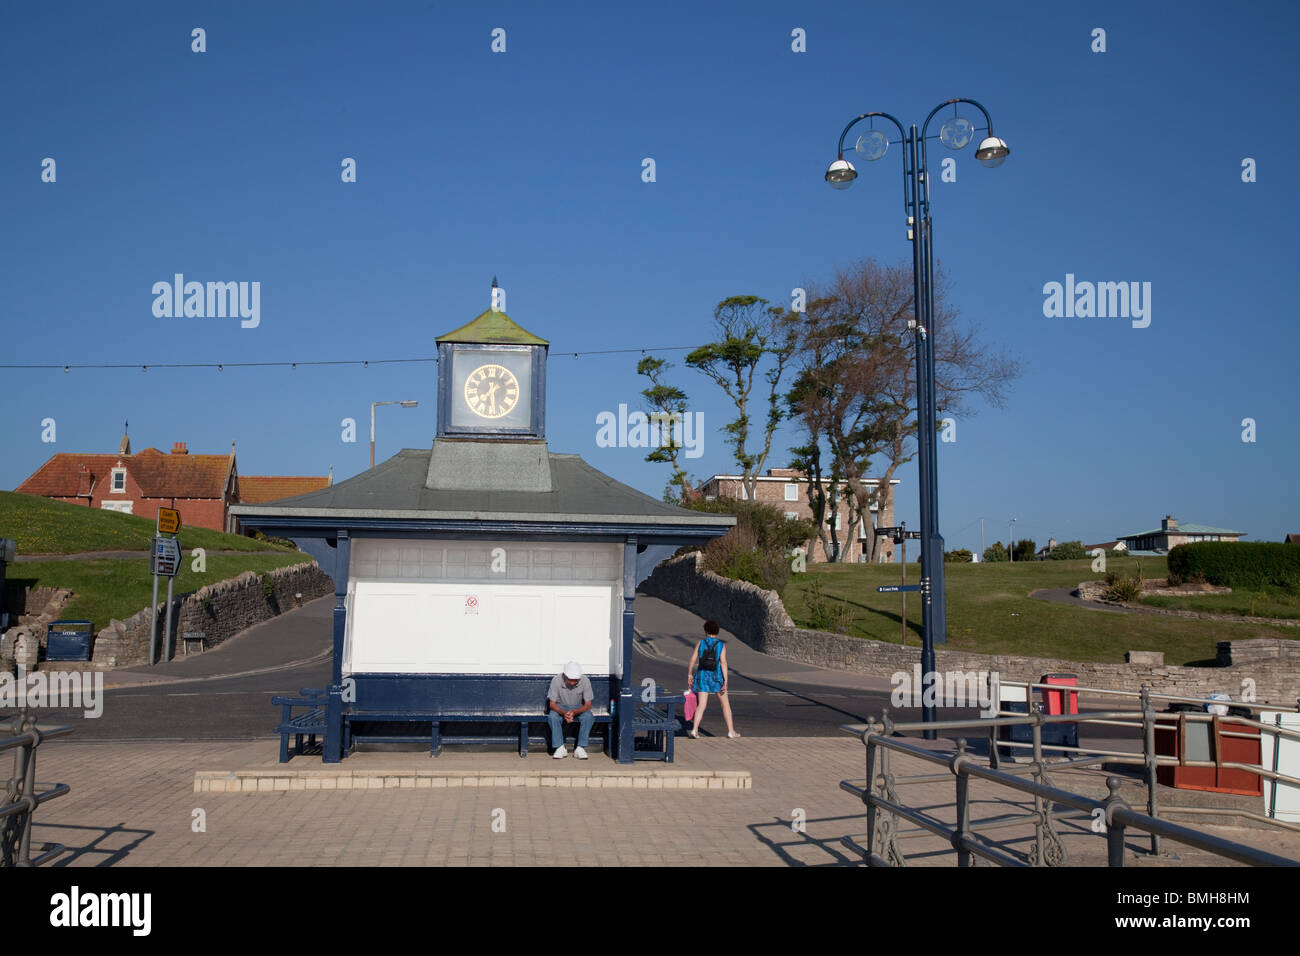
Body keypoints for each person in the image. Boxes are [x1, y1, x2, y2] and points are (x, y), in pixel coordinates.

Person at [685, 620, 739, 739]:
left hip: (702, 676)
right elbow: (723, 663)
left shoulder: (701, 643)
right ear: (717, 631)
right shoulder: (721, 645)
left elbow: (693, 659)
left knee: (702, 705)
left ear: (706, 631)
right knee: (725, 704)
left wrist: (690, 674)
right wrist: (725, 681)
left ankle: (694, 729)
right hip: (716, 677)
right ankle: (731, 731)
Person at [547, 660, 594, 758]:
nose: (573, 683)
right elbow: (552, 704)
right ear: (564, 675)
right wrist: (564, 713)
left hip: (578, 707)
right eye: (570, 679)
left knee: (589, 717)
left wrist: (574, 712)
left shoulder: (585, 681)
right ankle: (559, 747)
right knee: (552, 716)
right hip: (560, 707)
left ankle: (580, 748)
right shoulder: (556, 680)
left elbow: (588, 705)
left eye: (575, 680)